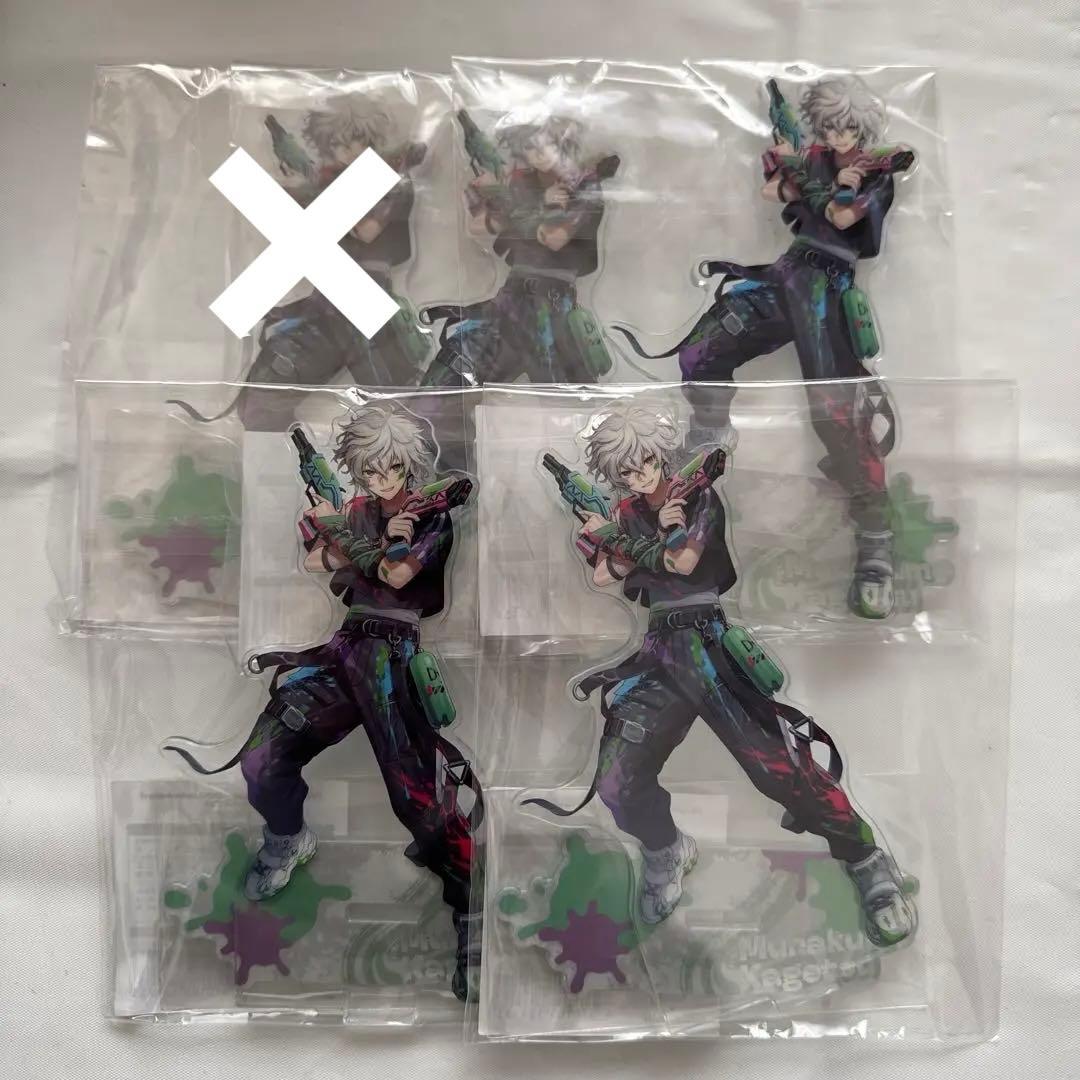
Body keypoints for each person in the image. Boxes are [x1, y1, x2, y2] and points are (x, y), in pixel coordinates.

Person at [533, 405, 915, 947]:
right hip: (659, 650)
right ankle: (666, 849)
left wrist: (624, 539)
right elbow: (603, 575)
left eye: (645, 462)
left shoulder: (694, 496)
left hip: (710, 643)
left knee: (780, 769)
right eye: (626, 470)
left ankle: (866, 859)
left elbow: (683, 564)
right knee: (618, 779)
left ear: (661, 454)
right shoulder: (625, 511)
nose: (639, 475)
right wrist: (616, 536)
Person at [169, 404, 481, 1000]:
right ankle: (288, 836)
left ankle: (472, 911)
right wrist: (341, 531)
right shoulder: (356, 508)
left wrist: (353, 539)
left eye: (392, 468)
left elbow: (396, 576)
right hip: (343, 649)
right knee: (263, 757)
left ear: (410, 465)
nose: (382, 479)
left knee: (418, 801)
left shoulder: (430, 515)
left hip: (394, 657)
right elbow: (319, 561)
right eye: (371, 470)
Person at [618, 76, 915, 619]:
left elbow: (843, 218)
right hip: (788, 274)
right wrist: (793, 166)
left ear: (863, 127)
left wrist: (835, 184)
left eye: (848, 127)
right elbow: (773, 193)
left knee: (837, 415)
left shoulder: (875, 171)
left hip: (829, 288)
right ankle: (707, 439)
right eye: (831, 126)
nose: (839, 135)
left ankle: (875, 540)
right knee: (703, 350)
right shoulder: (814, 157)